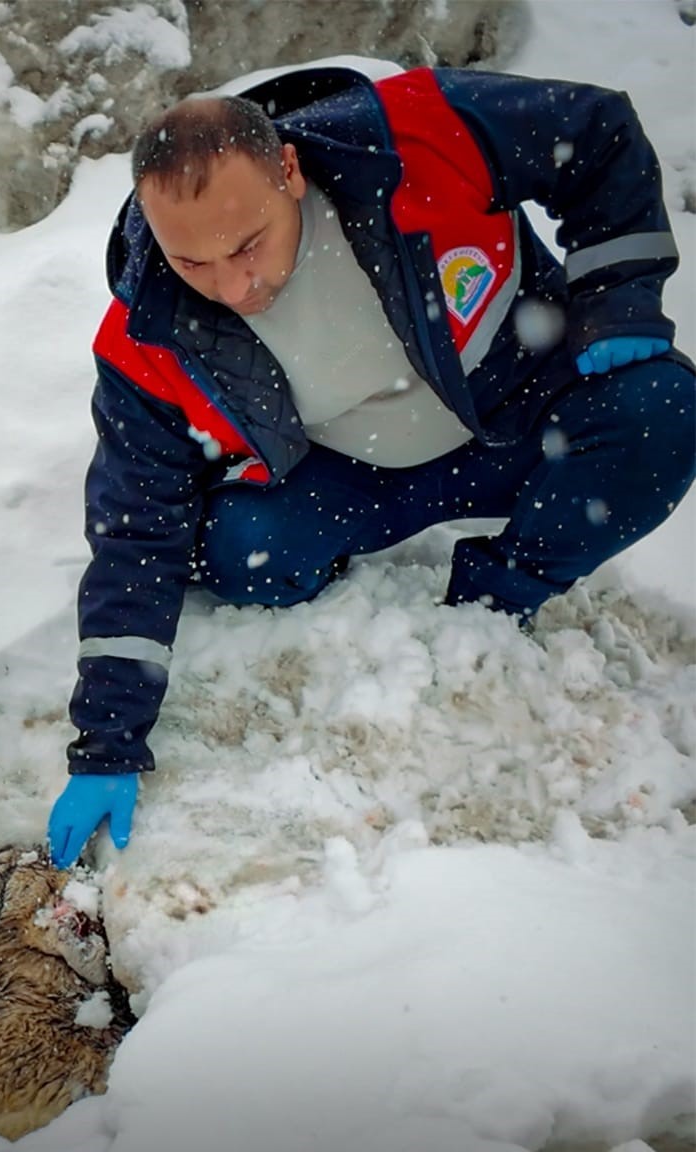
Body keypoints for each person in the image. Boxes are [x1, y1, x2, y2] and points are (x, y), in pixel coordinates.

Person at [46, 63, 696, 869]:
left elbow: (597, 131)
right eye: (195, 265)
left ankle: (502, 593)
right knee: (235, 552)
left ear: (287, 167)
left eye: (247, 246)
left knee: (663, 412)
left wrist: (621, 299)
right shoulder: (148, 328)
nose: (233, 286)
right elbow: (134, 527)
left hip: (516, 409)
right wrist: (107, 743)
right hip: (360, 473)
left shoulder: (412, 134)